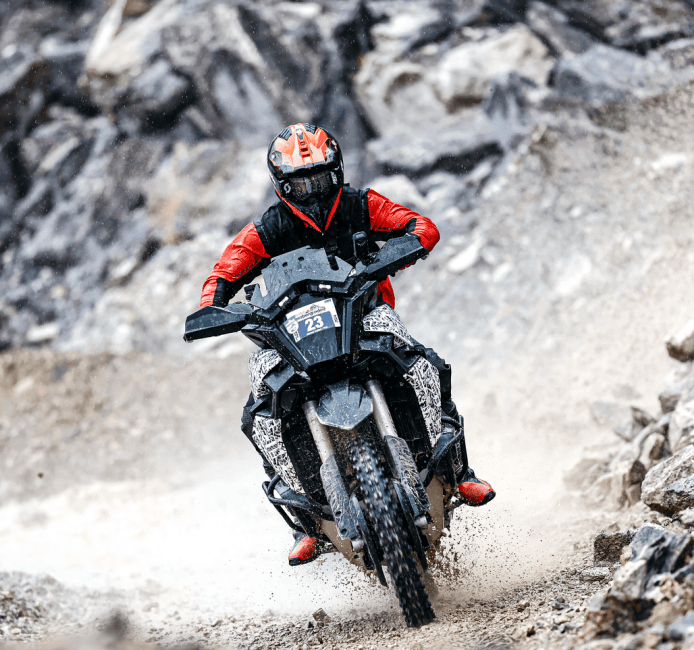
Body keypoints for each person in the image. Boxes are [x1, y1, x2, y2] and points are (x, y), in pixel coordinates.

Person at [199, 123, 495, 566]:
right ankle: (305, 522)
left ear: (336, 171)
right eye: (301, 184)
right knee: (259, 411)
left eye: (320, 179)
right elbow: (222, 275)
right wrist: (213, 308)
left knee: (426, 365)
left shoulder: (361, 204)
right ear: (282, 187)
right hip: (290, 336)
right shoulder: (266, 230)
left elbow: (420, 225)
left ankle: (459, 472)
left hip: (365, 315)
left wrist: (399, 250)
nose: (313, 191)